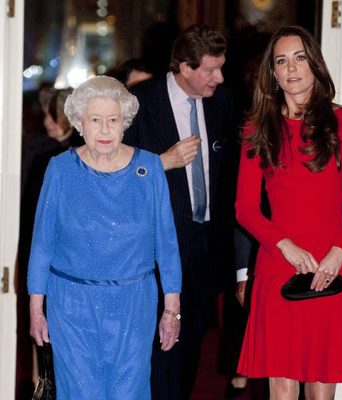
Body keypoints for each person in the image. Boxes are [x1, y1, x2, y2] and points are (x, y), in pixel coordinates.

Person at [235, 26, 342, 400]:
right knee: (280, 386)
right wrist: (284, 246)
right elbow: (245, 208)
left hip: (333, 262)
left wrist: (339, 252)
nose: (292, 68)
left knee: (320, 383)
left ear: (314, 64)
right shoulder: (257, 128)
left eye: (299, 58)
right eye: (282, 61)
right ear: (273, 73)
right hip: (279, 261)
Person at [27, 76, 182, 399]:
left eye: (113, 120)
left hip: (133, 303)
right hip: (71, 304)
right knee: (80, 392)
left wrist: (172, 310)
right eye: (95, 120)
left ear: (124, 122)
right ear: (80, 123)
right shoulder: (60, 169)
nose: (105, 129)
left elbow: (166, 245)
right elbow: (42, 244)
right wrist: (36, 308)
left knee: (130, 389)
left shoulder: (150, 168)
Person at [124, 23, 235, 400]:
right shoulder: (138, 101)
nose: (219, 77)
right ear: (185, 67)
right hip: (153, 250)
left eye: (221, 67)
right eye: (210, 69)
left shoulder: (223, 102)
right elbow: (112, 176)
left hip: (205, 250)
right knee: (157, 350)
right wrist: (163, 162)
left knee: (190, 351)